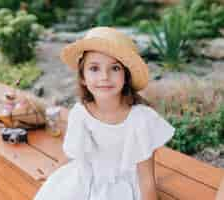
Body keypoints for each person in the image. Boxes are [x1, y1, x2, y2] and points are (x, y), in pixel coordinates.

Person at [34, 27, 175, 200]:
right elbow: (71, 151)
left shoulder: (140, 119)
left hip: (123, 188)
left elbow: (146, 179)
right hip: (84, 179)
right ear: (83, 77)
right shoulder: (81, 113)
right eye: (94, 68)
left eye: (115, 68)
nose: (104, 76)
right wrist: (53, 172)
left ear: (126, 77)